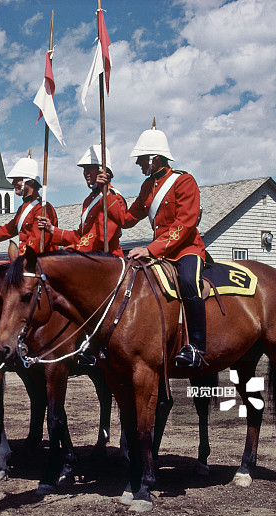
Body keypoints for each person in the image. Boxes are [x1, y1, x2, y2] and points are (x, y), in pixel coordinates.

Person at [112, 122, 206, 368]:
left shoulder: (184, 182)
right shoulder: (146, 187)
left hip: (186, 250)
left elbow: (184, 225)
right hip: (159, 254)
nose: (138, 164)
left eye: (141, 159)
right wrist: (107, 189)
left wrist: (151, 249)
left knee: (188, 281)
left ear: (154, 158)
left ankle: (196, 346)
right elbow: (126, 219)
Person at [37, 145, 127, 257]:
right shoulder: (88, 200)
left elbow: (97, 240)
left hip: (108, 261)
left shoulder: (114, 198)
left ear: (102, 170)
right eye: (84, 169)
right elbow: (80, 236)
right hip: (90, 257)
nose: (85, 172)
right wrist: (52, 229)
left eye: (89, 168)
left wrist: (65, 252)